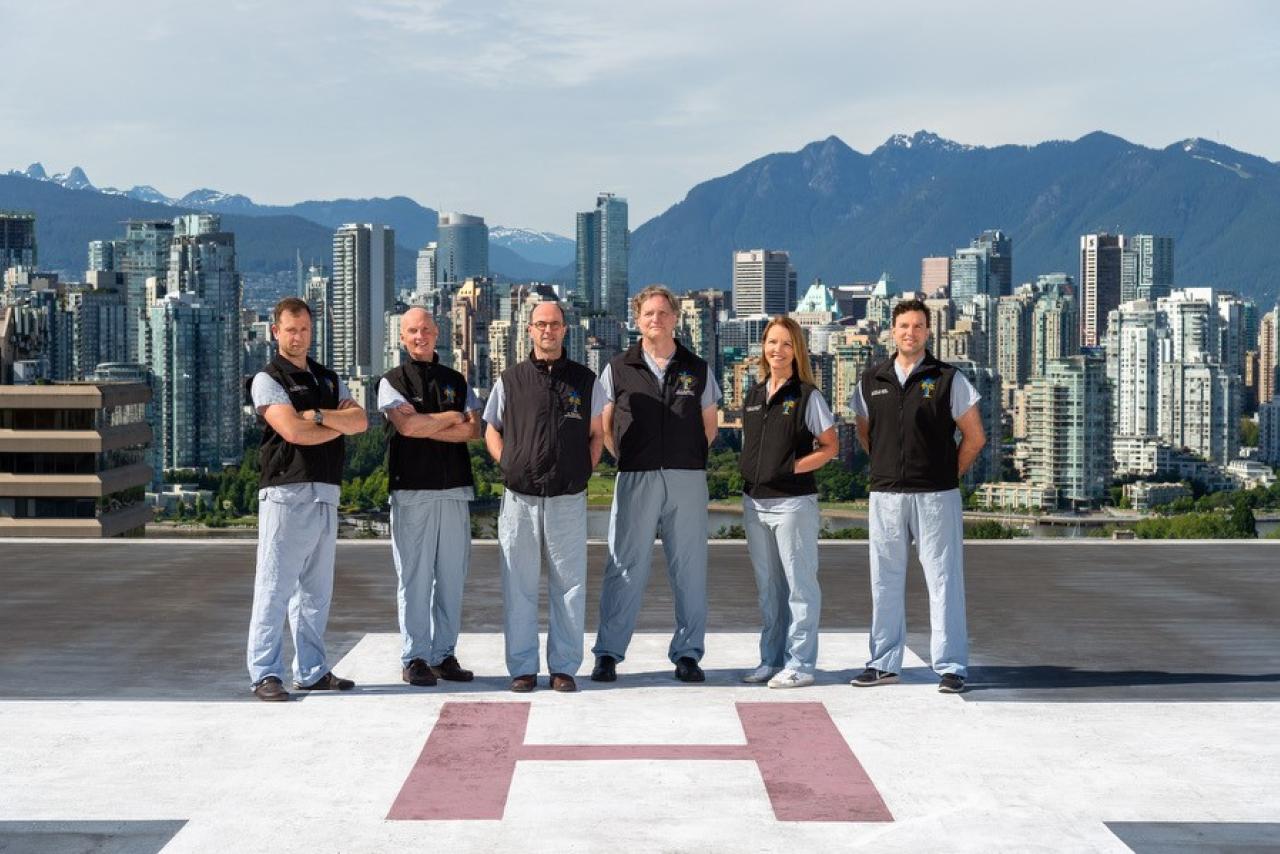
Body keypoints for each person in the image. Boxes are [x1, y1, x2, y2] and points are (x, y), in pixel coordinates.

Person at [850, 298, 985, 694]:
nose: (911, 332)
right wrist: (888, 465)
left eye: (919, 326)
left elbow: (975, 437)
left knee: (944, 579)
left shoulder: (949, 379)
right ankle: (884, 662)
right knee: (884, 580)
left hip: (936, 496)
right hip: (886, 495)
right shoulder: (870, 380)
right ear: (891, 330)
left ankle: (951, 666)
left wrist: (947, 473)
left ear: (929, 331)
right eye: (904, 325)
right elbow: (865, 433)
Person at [591, 286, 721, 684]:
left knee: (689, 568)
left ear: (676, 318)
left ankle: (687, 654)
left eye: (663, 313)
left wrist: (685, 458)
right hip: (636, 476)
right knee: (624, 565)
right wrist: (628, 458)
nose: (656, 320)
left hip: (686, 477)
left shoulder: (697, 368)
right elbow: (605, 426)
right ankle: (609, 653)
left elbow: (710, 428)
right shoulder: (617, 367)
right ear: (637, 319)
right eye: (648, 313)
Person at [246, 297, 368, 702]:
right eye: (290, 330)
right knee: (275, 586)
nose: (298, 337)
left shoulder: (329, 379)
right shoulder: (268, 379)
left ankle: (312, 671)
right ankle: (265, 673)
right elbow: (293, 433)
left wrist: (316, 416)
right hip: (285, 492)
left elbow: (362, 421)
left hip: (326, 491)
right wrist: (334, 422)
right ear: (275, 332)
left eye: (304, 330)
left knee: (316, 591)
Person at [483, 300, 605, 693]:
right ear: (529, 330)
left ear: (565, 329)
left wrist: (581, 469)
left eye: (554, 324)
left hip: (567, 496)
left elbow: (597, 434)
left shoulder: (586, 381)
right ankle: (522, 667)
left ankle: (564, 667)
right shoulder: (510, 380)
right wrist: (509, 464)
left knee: (569, 585)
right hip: (519, 497)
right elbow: (491, 429)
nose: (547, 331)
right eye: (540, 324)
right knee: (517, 583)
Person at [378, 307, 482, 688]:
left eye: (425, 329)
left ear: (438, 333)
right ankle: (415, 657)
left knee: (452, 577)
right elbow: (405, 427)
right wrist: (450, 417)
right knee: (415, 579)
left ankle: (443, 654)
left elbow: (475, 430)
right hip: (411, 490)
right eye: (411, 331)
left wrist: (428, 423)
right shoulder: (391, 381)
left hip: (454, 488)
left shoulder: (456, 379)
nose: (419, 336)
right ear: (401, 338)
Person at [739, 317, 839, 689]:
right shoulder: (754, 395)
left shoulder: (808, 396)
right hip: (754, 502)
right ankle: (771, 659)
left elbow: (830, 447)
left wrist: (792, 467)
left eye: (785, 343)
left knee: (799, 586)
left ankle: (801, 662)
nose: (776, 350)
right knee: (769, 587)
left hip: (793, 504)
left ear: (796, 350)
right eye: (770, 342)